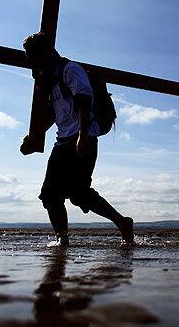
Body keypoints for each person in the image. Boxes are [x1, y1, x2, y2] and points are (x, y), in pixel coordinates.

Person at [20, 32, 134, 247]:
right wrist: (34, 137)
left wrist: (83, 136)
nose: (32, 62)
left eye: (33, 57)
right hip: (62, 141)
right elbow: (55, 115)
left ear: (46, 52)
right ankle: (62, 240)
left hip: (84, 137)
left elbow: (84, 100)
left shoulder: (70, 69)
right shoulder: (51, 78)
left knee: (79, 194)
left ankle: (122, 222)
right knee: (50, 195)